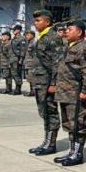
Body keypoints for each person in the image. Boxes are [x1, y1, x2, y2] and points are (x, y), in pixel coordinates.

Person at [50, 20, 86, 166]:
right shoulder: (68, 46)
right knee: (69, 123)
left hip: (76, 92)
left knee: (78, 122)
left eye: (70, 29)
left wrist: (85, 90)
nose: (66, 32)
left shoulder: (85, 48)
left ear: (79, 32)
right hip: (65, 91)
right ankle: (71, 151)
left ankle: (77, 153)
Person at [27, 10, 63, 156]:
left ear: (47, 22)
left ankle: (51, 144)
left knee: (50, 111)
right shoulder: (41, 37)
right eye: (35, 21)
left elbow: (57, 62)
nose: (35, 23)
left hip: (48, 81)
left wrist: (54, 83)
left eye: (38, 21)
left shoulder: (53, 37)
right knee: (43, 111)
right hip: (39, 81)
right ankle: (46, 141)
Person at [10, 25, 26, 95]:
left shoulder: (22, 39)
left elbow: (23, 49)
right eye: (13, 30)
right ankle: (17, 87)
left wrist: (21, 59)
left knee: (17, 74)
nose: (13, 31)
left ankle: (18, 89)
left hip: (17, 58)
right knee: (13, 74)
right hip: (12, 59)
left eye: (15, 30)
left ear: (19, 30)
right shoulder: (14, 38)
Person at [22, 30, 36, 96]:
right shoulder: (29, 43)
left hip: (32, 64)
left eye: (28, 35)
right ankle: (32, 91)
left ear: (33, 35)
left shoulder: (34, 43)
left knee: (32, 78)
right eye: (26, 35)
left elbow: (35, 55)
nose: (27, 36)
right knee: (29, 78)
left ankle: (34, 91)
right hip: (28, 63)